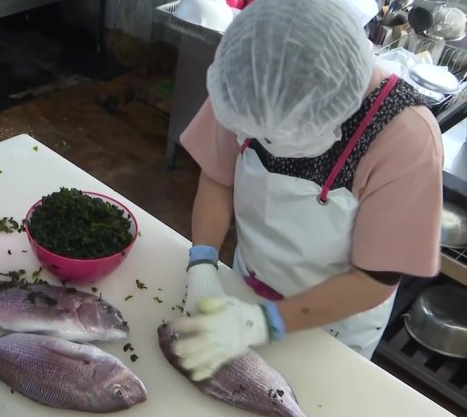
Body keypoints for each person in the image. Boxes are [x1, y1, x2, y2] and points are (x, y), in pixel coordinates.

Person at [168, 0, 443, 382]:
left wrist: (262, 323)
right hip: (246, 286)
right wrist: (202, 264)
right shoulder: (250, 70)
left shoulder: (406, 138)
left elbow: (375, 279)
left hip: (335, 325)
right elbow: (217, 176)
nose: (265, 141)